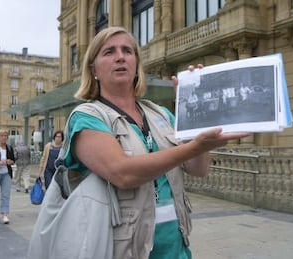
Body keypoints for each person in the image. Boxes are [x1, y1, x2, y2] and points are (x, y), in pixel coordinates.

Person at [62, 26, 251, 258]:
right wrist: (195, 146)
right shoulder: (87, 117)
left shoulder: (160, 114)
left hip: (176, 249)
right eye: (109, 52)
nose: (120, 56)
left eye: (127, 51)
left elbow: (198, 169)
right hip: (122, 250)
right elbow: (123, 173)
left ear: (136, 65)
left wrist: (197, 116)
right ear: (94, 70)